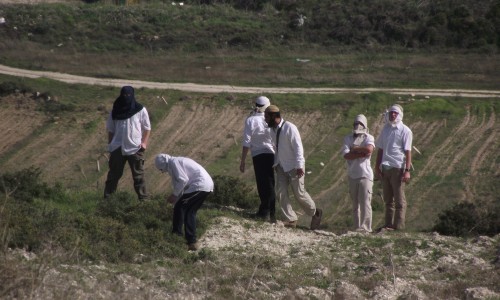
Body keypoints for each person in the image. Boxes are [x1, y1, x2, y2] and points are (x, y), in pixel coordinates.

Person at [264, 105, 322, 230]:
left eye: (267, 117)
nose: (265, 119)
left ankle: (315, 212)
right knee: (280, 192)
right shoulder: (271, 130)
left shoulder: (290, 128)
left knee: (299, 194)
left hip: (294, 166)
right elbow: (276, 148)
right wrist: (276, 163)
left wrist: (299, 165)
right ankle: (290, 219)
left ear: (274, 116)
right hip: (281, 166)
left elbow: (298, 148)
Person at [155, 153, 214, 251]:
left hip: (199, 185)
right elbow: (181, 184)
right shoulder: (177, 161)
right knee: (189, 212)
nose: (162, 172)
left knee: (180, 207)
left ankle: (176, 236)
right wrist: (176, 197)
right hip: (205, 185)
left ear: (164, 165)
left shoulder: (174, 163)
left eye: (162, 170)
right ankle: (192, 242)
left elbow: (183, 180)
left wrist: (174, 196)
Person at [104, 86, 151, 200]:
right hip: (117, 147)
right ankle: (108, 200)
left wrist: (144, 143)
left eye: (128, 95)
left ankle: (144, 201)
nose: (126, 97)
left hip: (135, 147)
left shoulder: (140, 109)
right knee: (113, 176)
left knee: (138, 176)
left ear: (132, 95)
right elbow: (111, 130)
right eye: (124, 95)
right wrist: (111, 146)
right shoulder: (115, 110)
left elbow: (147, 127)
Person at [375, 104, 413, 231]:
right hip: (386, 167)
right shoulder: (385, 129)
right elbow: (380, 149)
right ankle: (387, 224)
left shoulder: (405, 131)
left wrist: (407, 171)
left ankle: (398, 226)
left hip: (398, 167)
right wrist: (377, 166)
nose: (392, 115)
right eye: (391, 113)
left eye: (395, 113)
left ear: (399, 115)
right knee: (387, 199)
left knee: (399, 200)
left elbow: (408, 152)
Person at [239, 96, 276, 222]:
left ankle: (264, 212)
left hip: (258, 155)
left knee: (262, 184)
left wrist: (243, 160)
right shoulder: (269, 119)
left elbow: (246, 142)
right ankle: (272, 213)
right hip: (271, 154)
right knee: (271, 183)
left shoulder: (250, 120)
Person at [342, 114, 375, 233]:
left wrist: (354, 149)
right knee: (355, 204)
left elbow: (369, 150)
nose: (357, 126)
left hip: (365, 174)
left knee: (365, 202)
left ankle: (366, 228)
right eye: (356, 123)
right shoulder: (348, 138)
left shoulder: (368, 137)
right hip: (352, 174)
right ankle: (356, 228)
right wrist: (360, 152)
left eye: (360, 124)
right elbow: (346, 155)